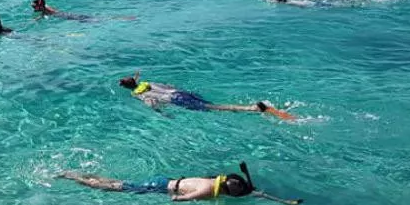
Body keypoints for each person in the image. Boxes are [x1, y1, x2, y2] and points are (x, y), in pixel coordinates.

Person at [58, 162, 302, 205]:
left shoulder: (212, 182)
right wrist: (183, 200)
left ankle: (85, 174)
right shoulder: (207, 192)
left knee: (121, 183)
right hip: (161, 188)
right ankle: (75, 178)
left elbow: (252, 191)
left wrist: (278, 200)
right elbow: (178, 199)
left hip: (165, 179)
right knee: (115, 189)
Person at [118, 73, 294, 119]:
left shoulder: (137, 93)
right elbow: (169, 86)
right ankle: (254, 108)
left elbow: (151, 102)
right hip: (179, 92)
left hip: (174, 99)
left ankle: (253, 108)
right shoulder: (147, 82)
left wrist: (161, 113)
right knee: (210, 104)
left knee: (216, 108)